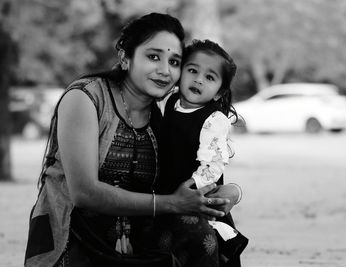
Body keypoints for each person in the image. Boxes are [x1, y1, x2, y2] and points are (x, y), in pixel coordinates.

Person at [24, 13, 241, 267]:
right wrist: (171, 204)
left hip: (136, 240)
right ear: (125, 58)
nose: (164, 70)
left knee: (199, 234)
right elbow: (84, 192)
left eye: (174, 61)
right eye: (153, 57)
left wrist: (234, 193)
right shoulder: (87, 98)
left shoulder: (161, 116)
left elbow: (187, 175)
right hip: (74, 237)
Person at [155, 39, 247, 266]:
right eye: (193, 70)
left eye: (210, 77)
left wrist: (191, 190)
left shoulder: (214, 120)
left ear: (219, 92)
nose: (198, 79)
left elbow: (212, 167)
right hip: (165, 195)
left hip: (198, 198)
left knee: (201, 249)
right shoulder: (169, 101)